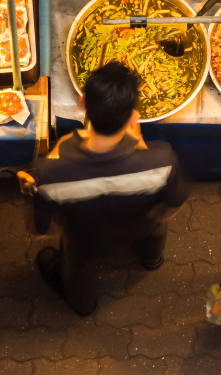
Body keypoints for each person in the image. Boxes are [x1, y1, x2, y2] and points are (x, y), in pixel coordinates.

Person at [18, 61, 189, 316]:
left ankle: (83, 305)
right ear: (134, 116)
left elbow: (41, 232)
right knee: (155, 231)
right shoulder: (163, 160)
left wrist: (36, 184)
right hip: (142, 228)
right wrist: (139, 143)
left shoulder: (52, 173)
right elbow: (172, 206)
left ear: (83, 102)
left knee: (76, 268)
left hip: (88, 241)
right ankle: (152, 260)